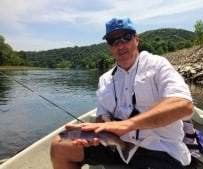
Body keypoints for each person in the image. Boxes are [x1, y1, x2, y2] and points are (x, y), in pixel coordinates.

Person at [50, 16, 193, 169]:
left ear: (136, 39)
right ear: (109, 46)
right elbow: (102, 115)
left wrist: (127, 125)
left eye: (126, 37)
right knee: (59, 146)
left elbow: (183, 105)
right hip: (115, 145)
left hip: (159, 149)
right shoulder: (105, 79)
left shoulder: (157, 65)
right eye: (113, 41)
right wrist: (99, 129)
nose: (120, 45)